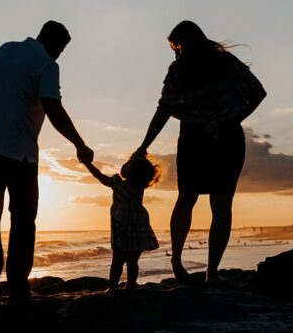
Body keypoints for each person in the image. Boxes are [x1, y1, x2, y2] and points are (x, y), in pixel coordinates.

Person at [0, 21, 94, 301]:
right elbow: (53, 107)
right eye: (60, 50)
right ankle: (17, 287)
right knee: (23, 221)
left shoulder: (5, 50)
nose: (59, 56)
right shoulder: (47, 64)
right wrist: (79, 144)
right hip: (18, 153)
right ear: (56, 45)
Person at [133, 21, 266, 286]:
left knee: (187, 199)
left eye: (176, 46)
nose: (175, 52)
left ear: (183, 42)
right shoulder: (227, 62)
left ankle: (178, 262)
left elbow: (163, 109)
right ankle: (212, 272)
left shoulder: (179, 69)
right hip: (227, 136)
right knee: (221, 205)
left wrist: (144, 145)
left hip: (195, 137)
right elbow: (258, 92)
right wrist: (233, 118)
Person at [82, 155, 162, 291]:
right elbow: (141, 167)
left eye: (128, 163)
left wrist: (87, 164)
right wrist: (140, 154)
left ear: (131, 171)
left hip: (122, 227)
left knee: (117, 260)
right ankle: (130, 285)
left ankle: (112, 287)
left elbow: (100, 176)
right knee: (132, 261)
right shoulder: (140, 186)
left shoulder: (117, 183)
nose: (125, 164)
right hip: (139, 226)